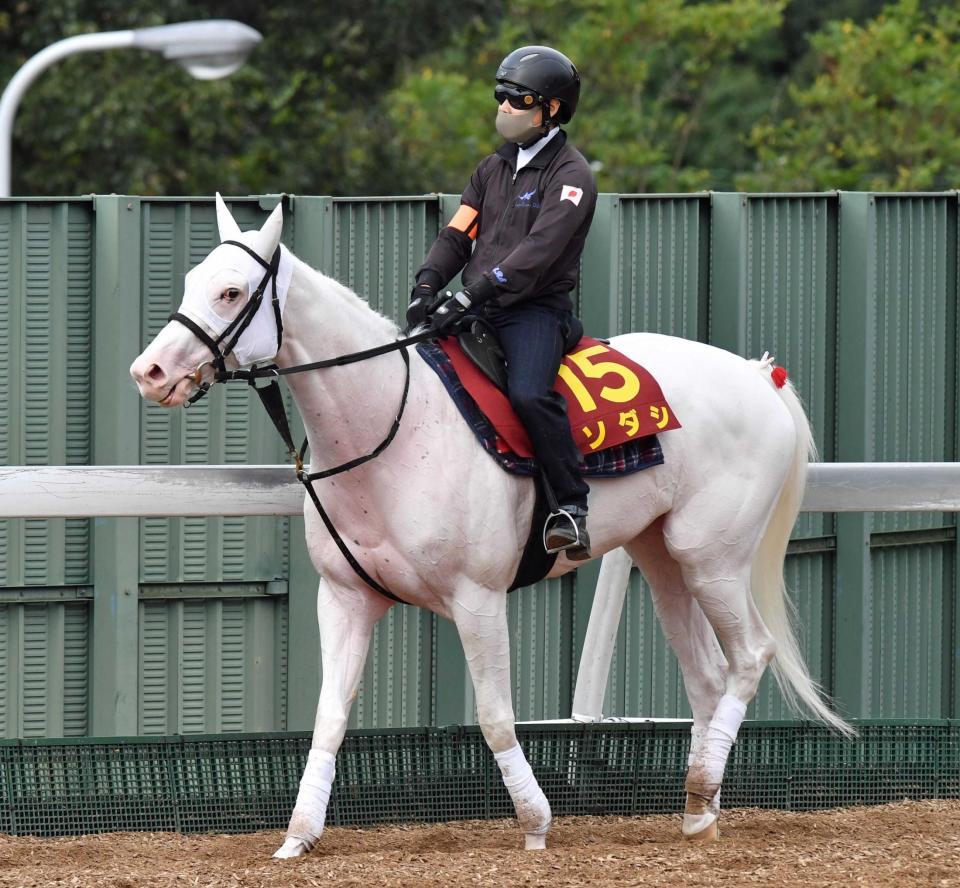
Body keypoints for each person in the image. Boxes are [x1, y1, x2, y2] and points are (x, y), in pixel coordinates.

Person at [406, 44, 598, 559]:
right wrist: (427, 285)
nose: (505, 107)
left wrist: (473, 292)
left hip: (534, 310)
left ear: (552, 109)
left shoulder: (572, 176)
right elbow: (458, 233)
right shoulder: (491, 168)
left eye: (519, 99)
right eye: (501, 96)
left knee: (530, 396)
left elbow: (539, 252)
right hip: (478, 305)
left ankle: (571, 507)